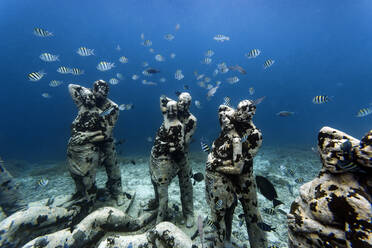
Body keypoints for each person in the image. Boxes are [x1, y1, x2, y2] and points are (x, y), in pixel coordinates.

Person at [288, 126, 372, 247]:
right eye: (328, 151)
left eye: (337, 153)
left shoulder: (356, 199)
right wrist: (351, 149)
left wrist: (312, 227)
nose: (329, 157)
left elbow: (360, 243)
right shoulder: (332, 171)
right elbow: (325, 132)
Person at [205, 100, 267, 248]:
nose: (239, 115)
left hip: (244, 176)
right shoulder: (232, 119)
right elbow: (221, 107)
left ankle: (259, 244)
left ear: (253, 113)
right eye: (238, 111)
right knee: (226, 208)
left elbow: (241, 164)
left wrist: (216, 164)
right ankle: (224, 239)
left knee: (252, 212)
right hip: (226, 175)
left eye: (244, 112)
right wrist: (233, 112)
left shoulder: (255, 135)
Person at [67, 80, 124, 207]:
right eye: (98, 89)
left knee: (112, 166)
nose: (101, 93)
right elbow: (71, 86)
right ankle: (80, 192)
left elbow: (107, 133)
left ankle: (117, 192)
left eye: (104, 91)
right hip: (85, 142)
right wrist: (86, 91)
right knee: (78, 169)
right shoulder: (85, 101)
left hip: (104, 140)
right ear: (93, 89)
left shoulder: (112, 107)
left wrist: (86, 136)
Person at [149, 97, 185, 224]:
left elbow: (179, 146)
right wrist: (170, 101)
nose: (170, 111)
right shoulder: (165, 117)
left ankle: (160, 220)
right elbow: (161, 99)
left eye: (174, 109)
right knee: (154, 183)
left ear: (178, 110)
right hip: (154, 158)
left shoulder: (179, 126)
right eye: (169, 108)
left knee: (162, 191)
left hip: (165, 161)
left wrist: (165, 145)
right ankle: (157, 204)